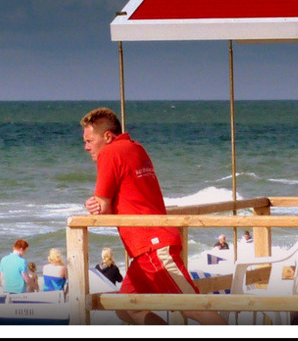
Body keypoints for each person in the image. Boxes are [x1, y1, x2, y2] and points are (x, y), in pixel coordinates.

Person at [80, 107, 224, 325]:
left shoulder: (109, 153)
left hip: (152, 246)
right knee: (127, 307)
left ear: (107, 136)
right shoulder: (136, 148)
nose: (86, 147)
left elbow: (103, 207)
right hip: (150, 246)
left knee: (194, 306)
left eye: (90, 140)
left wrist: (94, 205)